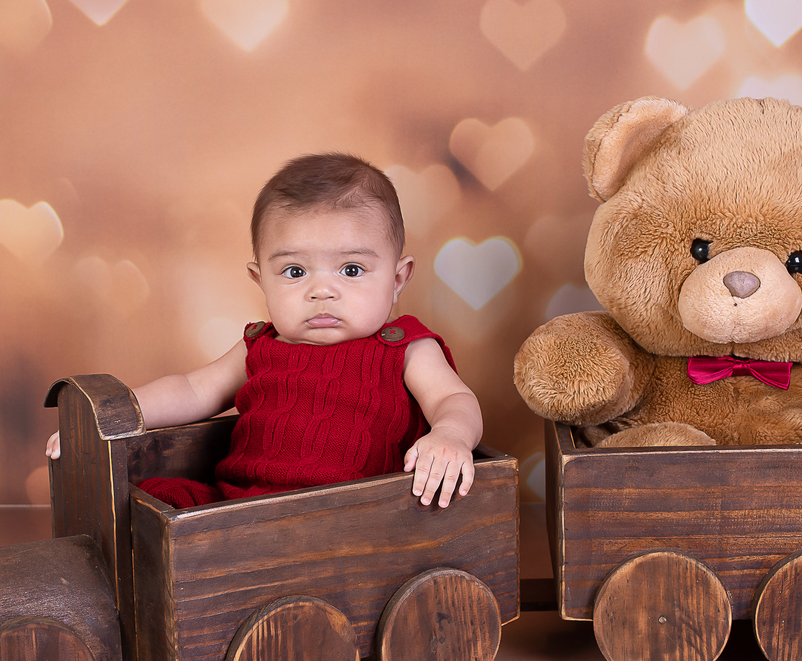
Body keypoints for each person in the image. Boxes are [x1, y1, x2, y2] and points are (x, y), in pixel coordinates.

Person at [47, 153, 482, 509]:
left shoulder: (404, 349)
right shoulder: (261, 346)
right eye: (295, 271)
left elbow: (454, 399)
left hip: (355, 516)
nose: (321, 291)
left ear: (397, 279)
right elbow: (192, 389)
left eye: (351, 269)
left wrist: (450, 435)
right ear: (261, 281)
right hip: (243, 509)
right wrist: (109, 418)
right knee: (155, 501)